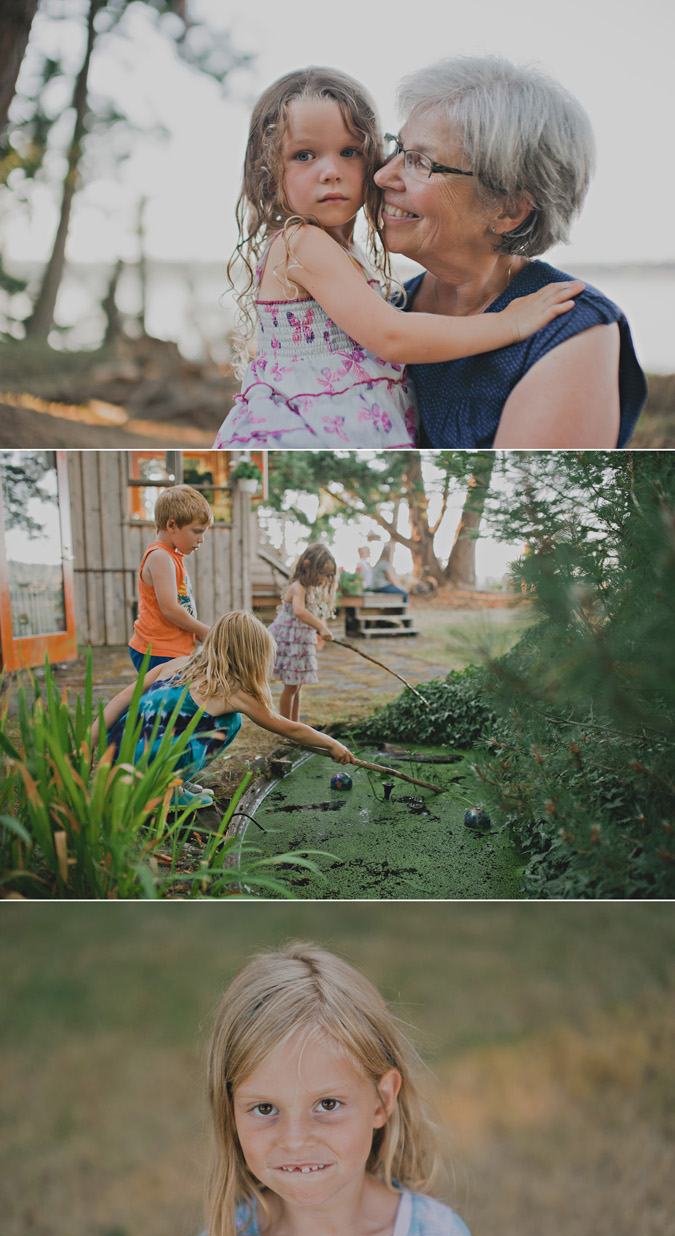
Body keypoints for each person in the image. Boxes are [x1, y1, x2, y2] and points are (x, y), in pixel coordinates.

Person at [215, 68, 582, 449]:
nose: (330, 172)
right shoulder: (300, 243)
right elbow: (391, 335)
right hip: (299, 433)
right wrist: (509, 323)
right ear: (269, 172)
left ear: (372, 159)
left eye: (349, 152)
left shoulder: (340, 249)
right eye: (303, 155)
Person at [175, 944, 487, 1236]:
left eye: (327, 1105)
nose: (295, 1139)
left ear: (381, 1101)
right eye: (265, 1108)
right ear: (230, 1111)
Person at [379, 56, 646, 449]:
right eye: (397, 148)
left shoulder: (569, 329)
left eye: (420, 161)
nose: (382, 175)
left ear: (507, 210)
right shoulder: (385, 310)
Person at [102, 610, 355, 810]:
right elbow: (289, 727)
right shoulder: (232, 692)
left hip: (116, 757)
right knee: (231, 722)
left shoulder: (178, 663)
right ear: (250, 657)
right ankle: (164, 792)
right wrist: (331, 744)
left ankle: (171, 780)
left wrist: (87, 745)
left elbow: (121, 699)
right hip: (145, 770)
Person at [129, 483, 213, 674]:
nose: (201, 539)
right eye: (197, 531)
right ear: (172, 525)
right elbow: (170, 608)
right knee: (164, 702)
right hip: (158, 649)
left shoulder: (171, 556)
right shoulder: (160, 556)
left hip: (171, 647)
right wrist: (202, 629)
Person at [269, 544, 340, 724]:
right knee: (291, 687)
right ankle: (286, 727)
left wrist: (319, 626)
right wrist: (321, 627)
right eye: (322, 573)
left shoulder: (307, 589)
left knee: (296, 686)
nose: (324, 579)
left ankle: (296, 724)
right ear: (308, 566)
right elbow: (299, 611)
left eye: (328, 575)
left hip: (298, 643)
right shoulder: (298, 587)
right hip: (288, 642)